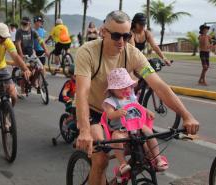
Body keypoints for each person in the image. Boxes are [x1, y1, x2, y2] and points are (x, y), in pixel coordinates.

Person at [75, 11, 199, 185]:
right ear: (103, 31)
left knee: (144, 151)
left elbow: (159, 86)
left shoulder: (132, 53)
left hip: (124, 113)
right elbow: (82, 91)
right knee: (101, 159)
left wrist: (186, 115)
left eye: (126, 36)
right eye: (116, 35)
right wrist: (84, 130)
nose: (121, 41)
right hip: (93, 110)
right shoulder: (87, 52)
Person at [102, 68, 168, 173]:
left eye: (127, 87)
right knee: (116, 138)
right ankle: (123, 163)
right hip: (121, 129)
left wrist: (147, 111)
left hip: (137, 126)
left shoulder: (131, 97)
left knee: (149, 133)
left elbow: (138, 106)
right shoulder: (111, 101)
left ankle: (158, 158)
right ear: (112, 90)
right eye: (121, 88)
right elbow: (109, 115)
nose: (125, 90)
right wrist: (117, 113)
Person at [15, 16, 49, 96]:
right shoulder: (19, 31)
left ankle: (38, 84)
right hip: (23, 54)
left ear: (29, 24)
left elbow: (40, 41)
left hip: (32, 54)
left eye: (26, 24)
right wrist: (20, 54)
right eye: (23, 23)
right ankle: (23, 90)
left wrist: (46, 50)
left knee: (41, 68)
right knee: (25, 72)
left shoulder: (33, 31)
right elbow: (18, 43)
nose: (24, 25)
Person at [0, 22, 31, 105]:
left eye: (5, 37)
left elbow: (15, 56)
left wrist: (25, 69)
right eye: (2, 37)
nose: (4, 39)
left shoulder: (7, 41)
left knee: (13, 95)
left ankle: (8, 115)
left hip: (1, 68)